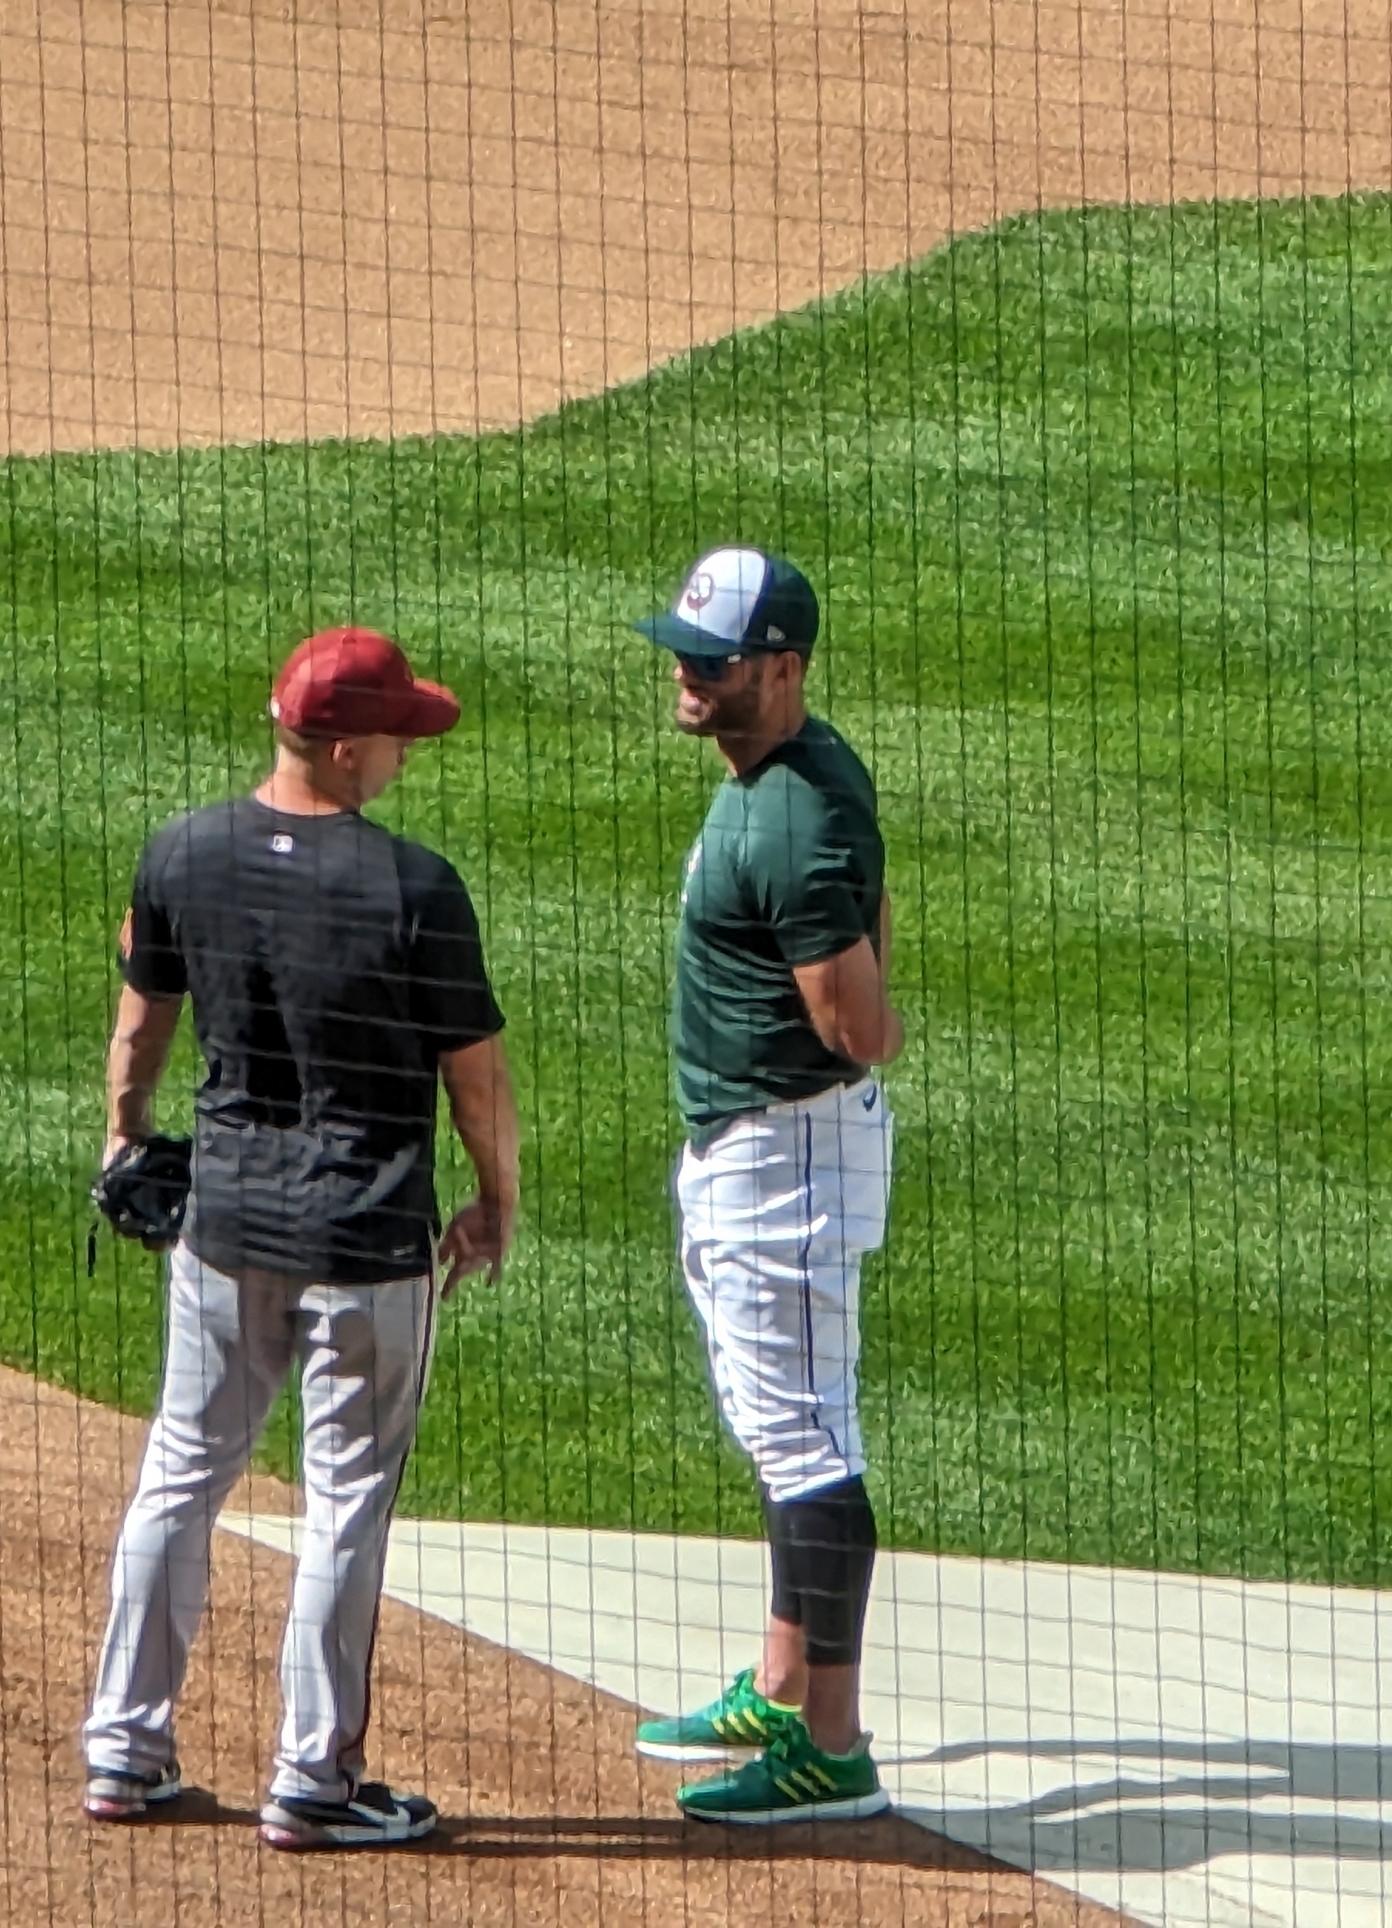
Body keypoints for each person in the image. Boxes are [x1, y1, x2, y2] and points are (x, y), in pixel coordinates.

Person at [81, 626, 520, 1852]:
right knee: (345, 1506)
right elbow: (474, 1079)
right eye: (392, 735)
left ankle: (123, 1748)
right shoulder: (414, 887)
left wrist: (125, 1135)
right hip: (367, 1242)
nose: (404, 753)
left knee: (182, 1469)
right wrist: (495, 1199)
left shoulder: (185, 846)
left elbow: (140, 1016)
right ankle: (313, 1780)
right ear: (338, 745)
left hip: (220, 1228)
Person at [627, 548, 904, 1824]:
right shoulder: (788, 773)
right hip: (769, 1149)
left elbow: (856, 1020)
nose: (688, 675)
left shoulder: (791, 815)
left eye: (715, 660)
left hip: (784, 1158)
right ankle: (783, 1679)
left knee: (806, 1443)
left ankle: (831, 1747)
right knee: (783, 1420)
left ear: (782, 667)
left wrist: (845, 1051)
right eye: (682, 650)